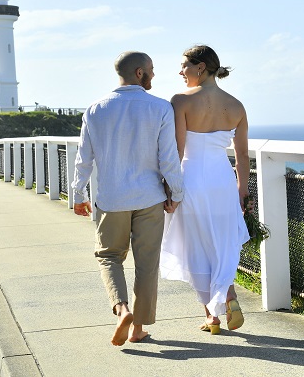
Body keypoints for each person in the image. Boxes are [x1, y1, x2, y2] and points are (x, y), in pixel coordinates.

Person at [71, 51, 184, 346]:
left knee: (109, 256)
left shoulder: (95, 109)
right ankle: (138, 329)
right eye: (151, 70)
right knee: (147, 263)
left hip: (111, 198)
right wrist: (176, 193)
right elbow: (168, 159)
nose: (154, 75)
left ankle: (122, 309)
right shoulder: (160, 108)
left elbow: (84, 158)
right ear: (139, 73)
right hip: (149, 198)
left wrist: (78, 193)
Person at [159, 45, 250, 334]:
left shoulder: (181, 101)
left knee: (196, 245)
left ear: (200, 67)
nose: (180, 72)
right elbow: (243, 156)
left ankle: (212, 315)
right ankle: (228, 296)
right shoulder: (236, 105)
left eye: (184, 65)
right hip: (222, 180)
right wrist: (242, 191)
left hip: (192, 178)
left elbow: (177, 149)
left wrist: (171, 190)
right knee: (222, 242)